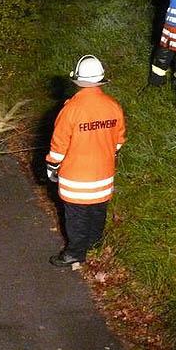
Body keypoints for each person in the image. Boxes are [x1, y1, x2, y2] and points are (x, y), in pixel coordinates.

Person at [46, 55, 126, 268]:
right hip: (103, 174)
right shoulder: (113, 106)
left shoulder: (71, 109)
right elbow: (119, 140)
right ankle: (94, 242)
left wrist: (52, 166)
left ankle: (75, 252)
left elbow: (59, 145)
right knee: (98, 210)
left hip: (77, 178)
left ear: (78, 80)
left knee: (76, 216)